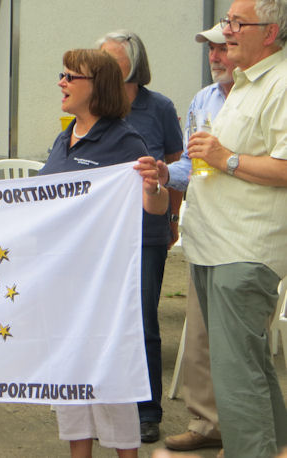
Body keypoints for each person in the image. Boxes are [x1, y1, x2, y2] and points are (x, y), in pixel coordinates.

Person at [40, 48, 169, 458]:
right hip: (64, 281)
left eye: (70, 76)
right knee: (71, 378)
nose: (61, 82)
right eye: (62, 75)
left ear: (97, 88)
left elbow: (155, 207)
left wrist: (154, 188)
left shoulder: (125, 140)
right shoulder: (65, 137)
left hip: (103, 286)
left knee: (110, 382)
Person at [181, 0, 287, 456]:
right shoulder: (245, 83)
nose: (226, 31)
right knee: (249, 368)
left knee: (236, 379)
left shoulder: (281, 83)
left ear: (270, 32)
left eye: (237, 23)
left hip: (243, 251)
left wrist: (226, 159)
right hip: (214, 247)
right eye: (228, 21)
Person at [97, 30, 183, 443]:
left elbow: (175, 166)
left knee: (144, 320)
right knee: (102, 318)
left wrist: (173, 218)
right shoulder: (96, 105)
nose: (101, 66)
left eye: (110, 59)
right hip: (102, 234)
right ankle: (106, 401)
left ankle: (147, 411)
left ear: (133, 65)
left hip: (146, 230)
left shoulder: (159, 108)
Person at [159, 23, 236, 453]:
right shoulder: (202, 99)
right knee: (201, 338)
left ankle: (244, 434)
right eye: (210, 49)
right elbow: (191, 165)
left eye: (222, 47)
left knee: (239, 343)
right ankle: (207, 423)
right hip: (203, 231)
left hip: (244, 235)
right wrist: (165, 172)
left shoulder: (263, 96)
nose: (215, 57)